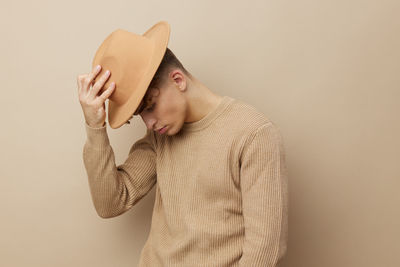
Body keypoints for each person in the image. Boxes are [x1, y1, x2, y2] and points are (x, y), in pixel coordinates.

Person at [77, 47, 288, 266]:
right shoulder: (159, 138)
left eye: (150, 106)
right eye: (139, 115)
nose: (149, 123)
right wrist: (95, 126)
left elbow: (265, 250)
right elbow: (111, 203)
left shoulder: (254, 134)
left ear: (178, 80)